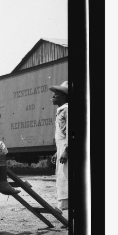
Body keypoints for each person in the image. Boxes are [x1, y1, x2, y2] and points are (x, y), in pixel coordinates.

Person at [50, 81, 69, 212]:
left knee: (66, 176)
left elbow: (71, 132)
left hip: (67, 148)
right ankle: (62, 207)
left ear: (64, 97)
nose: (53, 97)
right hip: (62, 148)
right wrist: (58, 152)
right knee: (62, 177)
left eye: (56, 95)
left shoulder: (67, 110)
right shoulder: (61, 110)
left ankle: (62, 208)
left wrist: (66, 150)